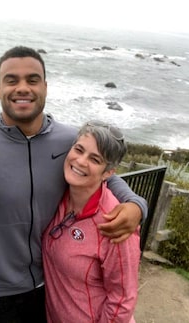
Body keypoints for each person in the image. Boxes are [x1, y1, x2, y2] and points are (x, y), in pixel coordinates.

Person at [0, 46, 147, 322]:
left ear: (45, 86)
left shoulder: (69, 140)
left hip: (49, 287)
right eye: (12, 80)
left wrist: (136, 205)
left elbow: (105, 174)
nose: (23, 88)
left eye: (32, 80)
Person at [42, 120, 140, 322]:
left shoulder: (114, 222)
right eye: (78, 149)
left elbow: (122, 300)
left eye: (95, 159)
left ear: (108, 173)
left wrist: (138, 206)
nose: (80, 161)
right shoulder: (58, 197)